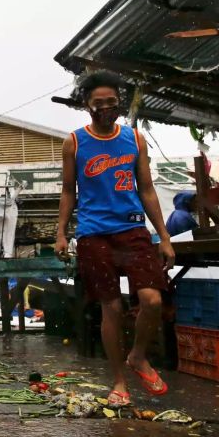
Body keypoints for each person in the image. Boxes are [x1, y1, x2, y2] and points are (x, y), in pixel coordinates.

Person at [55, 71, 176, 408]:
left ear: (119, 104)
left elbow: (147, 189)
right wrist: (61, 233)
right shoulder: (75, 142)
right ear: (86, 105)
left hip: (133, 229)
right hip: (94, 233)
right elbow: (68, 191)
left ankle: (137, 357)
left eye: (112, 103)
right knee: (112, 307)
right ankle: (119, 382)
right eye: (99, 104)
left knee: (151, 300)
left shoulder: (135, 139)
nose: (106, 109)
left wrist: (164, 237)